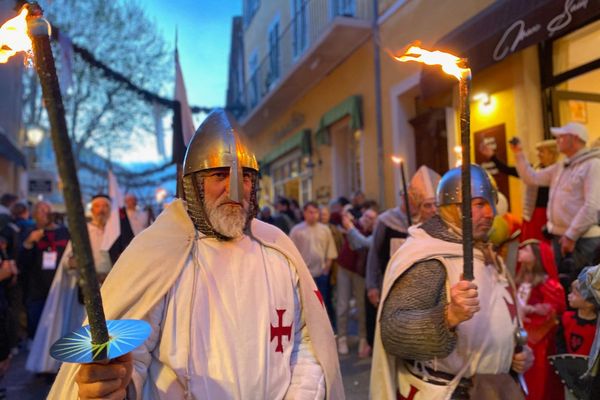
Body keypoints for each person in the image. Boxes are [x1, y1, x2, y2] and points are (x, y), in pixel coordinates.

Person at [48, 109, 343, 399]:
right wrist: (117, 388)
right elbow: (131, 359)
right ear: (194, 185)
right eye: (219, 175)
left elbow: (307, 342)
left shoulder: (278, 250)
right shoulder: (159, 254)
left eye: (246, 178)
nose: (235, 190)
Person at [371, 164, 533, 400]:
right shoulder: (429, 256)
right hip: (448, 392)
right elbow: (395, 331)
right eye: (479, 204)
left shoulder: (486, 255)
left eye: (491, 203)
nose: (491, 213)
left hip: (494, 389)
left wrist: (514, 355)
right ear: (451, 208)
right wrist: (448, 316)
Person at [26, 195, 113, 374]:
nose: (102, 210)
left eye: (105, 206)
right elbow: (67, 261)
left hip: (113, 289)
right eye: (98, 206)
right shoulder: (83, 231)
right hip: (86, 292)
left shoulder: (115, 232)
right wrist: (76, 264)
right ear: (92, 210)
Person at [511, 122, 600, 283]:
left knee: (585, 289)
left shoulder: (593, 164)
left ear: (575, 139)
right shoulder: (562, 166)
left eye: (561, 136)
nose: (557, 140)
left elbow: (592, 206)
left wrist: (571, 235)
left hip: (582, 239)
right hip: (561, 237)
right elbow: (531, 178)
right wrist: (518, 154)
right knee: (565, 286)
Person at [364, 165, 440, 347]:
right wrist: (372, 285)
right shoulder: (386, 221)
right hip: (390, 280)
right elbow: (374, 254)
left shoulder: (426, 223)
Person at [479, 139, 559, 242]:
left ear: (551, 154)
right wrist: (492, 156)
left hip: (549, 216)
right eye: (538, 151)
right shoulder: (533, 169)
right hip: (532, 215)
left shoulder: (557, 171)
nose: (538, 154)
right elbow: (507, 169)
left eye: (542, 151)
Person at [515, 240, 565, 400]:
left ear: (536, 256)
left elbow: (553, 309)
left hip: (538, 342)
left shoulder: (548, 284)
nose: (520, 252)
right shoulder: (518, 279)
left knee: (538, 381)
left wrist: (531, 310)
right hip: (518, 336)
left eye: (526, 250)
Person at [17, 201, 70, 341]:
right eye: (41, 210)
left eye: (48, 209)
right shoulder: (28, 232)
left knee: (58, 329)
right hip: (36, 289)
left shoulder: (64, 232)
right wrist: (28, 243)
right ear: (34, 215)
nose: (45, 212)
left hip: (60, 287)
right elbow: (21, 263)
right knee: (36, 327)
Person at [290, 201, 339, 328]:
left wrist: (326, 269)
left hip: (321, 273)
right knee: (304, 305)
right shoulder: (297, 231)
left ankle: (326, 330)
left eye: (316, 212)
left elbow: (330, 251)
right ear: (304, 213)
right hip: (303, 275)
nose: (313, 215)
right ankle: (306, 331)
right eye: (310, 212)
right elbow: (290, 253)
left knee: (323, 304)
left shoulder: (325, 230)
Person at [336, 208, 377, 357]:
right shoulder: (355, 225)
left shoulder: (374, 234)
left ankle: (362, 339)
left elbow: (362, 243)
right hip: (345, 267)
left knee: (361, 307)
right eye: (366, 215)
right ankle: (341, 338)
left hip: (361, 273)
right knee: (342, 305)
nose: (367, 219)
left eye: (372, 218)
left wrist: (351, 229)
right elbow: (354, 244)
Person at [556, 279, 598, 356]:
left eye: (574, 293)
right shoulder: (566, 318)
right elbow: (560, 344)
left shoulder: (597, 327)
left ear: (590, 302)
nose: (569, 295)